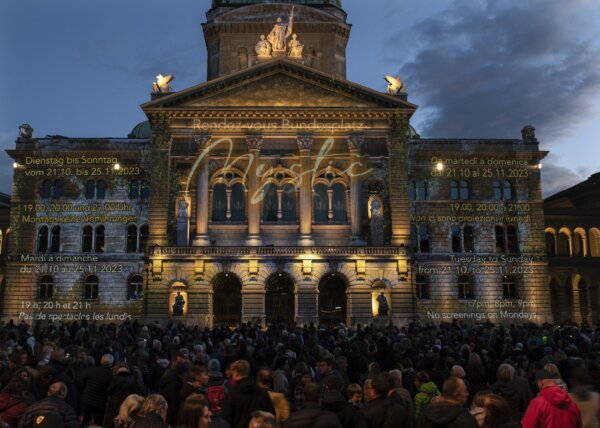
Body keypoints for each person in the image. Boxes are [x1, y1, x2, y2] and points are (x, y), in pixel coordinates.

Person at [221, 360, 275, 428]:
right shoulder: (263, 393)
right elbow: (271, 417)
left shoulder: (231, 395)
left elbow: (225, 420)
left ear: (236, 374)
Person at [80, 353, 113, 426]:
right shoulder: (110, 375)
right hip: (100, 402)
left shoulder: (91, 370)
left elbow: (81, 380)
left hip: (87, 398)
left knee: (85, 420)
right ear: (111, 364)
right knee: (98, 422)